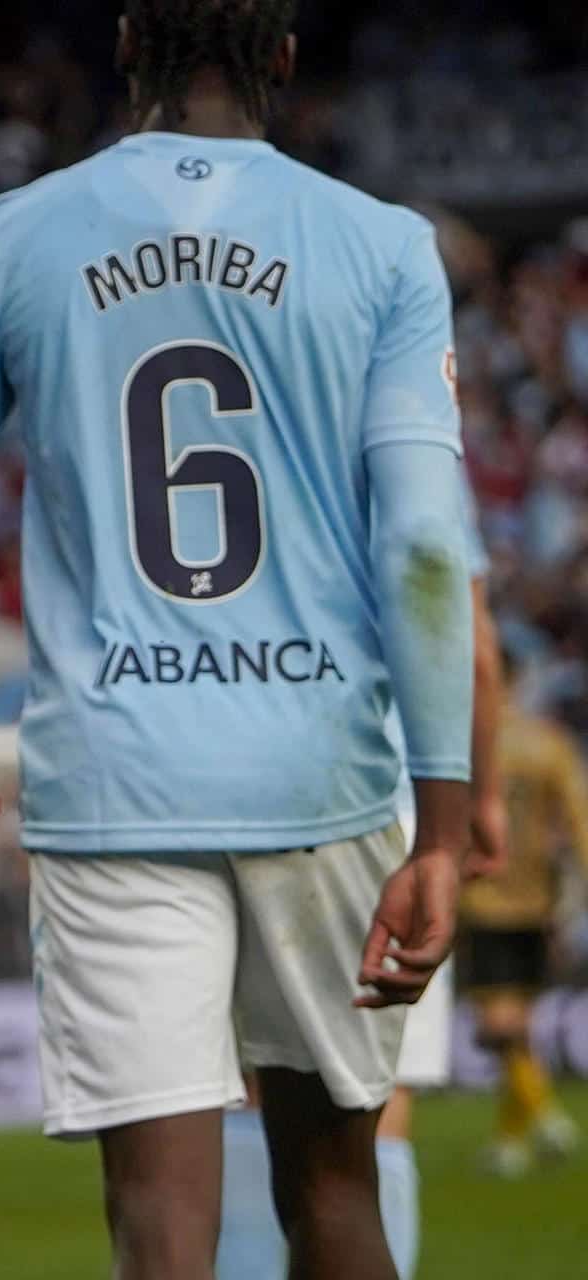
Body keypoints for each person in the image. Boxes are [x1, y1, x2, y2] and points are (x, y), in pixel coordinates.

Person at [0, 3, 473, 1278]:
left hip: (117, 782)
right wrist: (449, 826)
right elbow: (424, 550)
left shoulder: (9, 239)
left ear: (127, 43)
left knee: (160, 1220)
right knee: (337, 1187)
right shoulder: (385, 247)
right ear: (287, 58)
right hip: (322, 775)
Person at [218, 479, 505, 1279]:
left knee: (251, 1086)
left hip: (242, 778)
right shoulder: (409, 452)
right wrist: (481, 799)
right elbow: (472, 648)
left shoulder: (264, 442)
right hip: (388, 802)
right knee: (378, 1098)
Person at [460, 646, 588, 1176]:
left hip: (479, 898)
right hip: (538, 900)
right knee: (518, 1023)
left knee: (497, 1024)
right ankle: (511, 1141)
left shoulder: (462, 745)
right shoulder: (548, 743)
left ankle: (543, 1113)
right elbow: (579, 820)